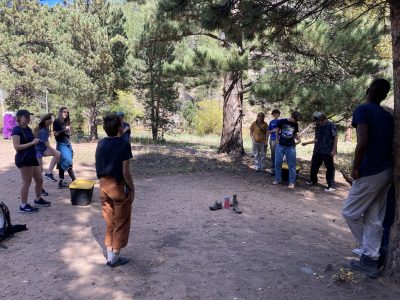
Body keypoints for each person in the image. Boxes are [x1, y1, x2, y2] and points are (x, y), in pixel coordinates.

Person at [342, 79, 393, 278]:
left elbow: (362, 141)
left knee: (349, 212)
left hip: (370, 170)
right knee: (373, 218)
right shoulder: (387, 115)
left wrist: (355, 167)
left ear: (368, 90)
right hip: (386, 171)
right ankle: (371, 260)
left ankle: (372, 251)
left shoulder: (363, 109)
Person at [96, 113, 135, 268]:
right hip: (117, 186)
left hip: (103, 185)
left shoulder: (101, 143)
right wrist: (131, 188)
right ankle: (115, 257)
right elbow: (126, 172)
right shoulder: (123, 144)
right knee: (121, 221)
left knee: (110, 221)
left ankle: (110, 255)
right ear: (120, 127)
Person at [12, 110, 51, 213]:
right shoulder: (16, 130)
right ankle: (23, 205)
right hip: (24, 158)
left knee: (40, 180)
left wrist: (36, 142)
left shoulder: (28, 129)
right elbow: (17, 147)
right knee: (27, 182)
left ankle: (38, 200)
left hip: (32, 157)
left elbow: (33, 141)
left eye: (29, 116)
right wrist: (32, 143)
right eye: (26, 117)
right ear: (19, 118)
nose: (28, 118)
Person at [301, 112, 338, 192]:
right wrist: (306, 143)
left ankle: (331, 185)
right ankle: (313, 180)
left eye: (317, 120)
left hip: (328, 151)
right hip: (318, 150)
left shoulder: (331, 125)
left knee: (330, 168)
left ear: (322, 118)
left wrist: (334, 149)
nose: (317, 122)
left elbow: (335, 137)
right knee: (314, 166)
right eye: (316, 121)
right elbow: (317, 139)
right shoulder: (318, 126)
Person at [273, 111, 302, 188]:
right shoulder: (282, 121)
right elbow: (277, 130)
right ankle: (277, 179)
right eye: (296, 120)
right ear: (292, 117)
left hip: (290, 147)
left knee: (291, 165)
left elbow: (294, 134)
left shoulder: (295, 124)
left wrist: (298, 139)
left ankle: (291, 182)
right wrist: (276, 139)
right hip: (280, 146)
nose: (296, 122)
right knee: (277, 163)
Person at [34, 113, 61, 184]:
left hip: (43, 149)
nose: (50, 120)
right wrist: (55, 152)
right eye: (47, 119)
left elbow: (46, 141)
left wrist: (56, 153)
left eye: (50, 118)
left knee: (58, 153)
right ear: (43, 121)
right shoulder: (43, 130)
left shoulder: (46, 128)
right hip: (37, 151)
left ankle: (48, 173)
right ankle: (40, 189)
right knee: (40, 170)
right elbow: (47, 145)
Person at [53, 107, 76, 189]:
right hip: (61, 144)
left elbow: (68, 133)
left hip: (68, 143)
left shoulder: (66, 121)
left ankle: (61, 182)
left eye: (67, 112)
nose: (66, 113)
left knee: (64, 162)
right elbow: (56, 134)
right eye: (64, 112)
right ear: (60, 112)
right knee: (68, 161)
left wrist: (69, 131)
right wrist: (64, 130)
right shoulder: (56, 121)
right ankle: (74, 179)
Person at [268, 109, 281, 176]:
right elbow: (268, 132)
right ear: (273, 115)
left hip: (280, 140)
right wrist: (273, 130)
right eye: (274, 114)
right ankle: (273, 170)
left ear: (279, 114)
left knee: (280, 156)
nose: (276, 115)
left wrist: (279, 131)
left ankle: (279, 170)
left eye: (277, 113)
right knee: (273, 155)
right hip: (272, 140)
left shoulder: (281, 121)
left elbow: (284, 130)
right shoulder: (271, 122)